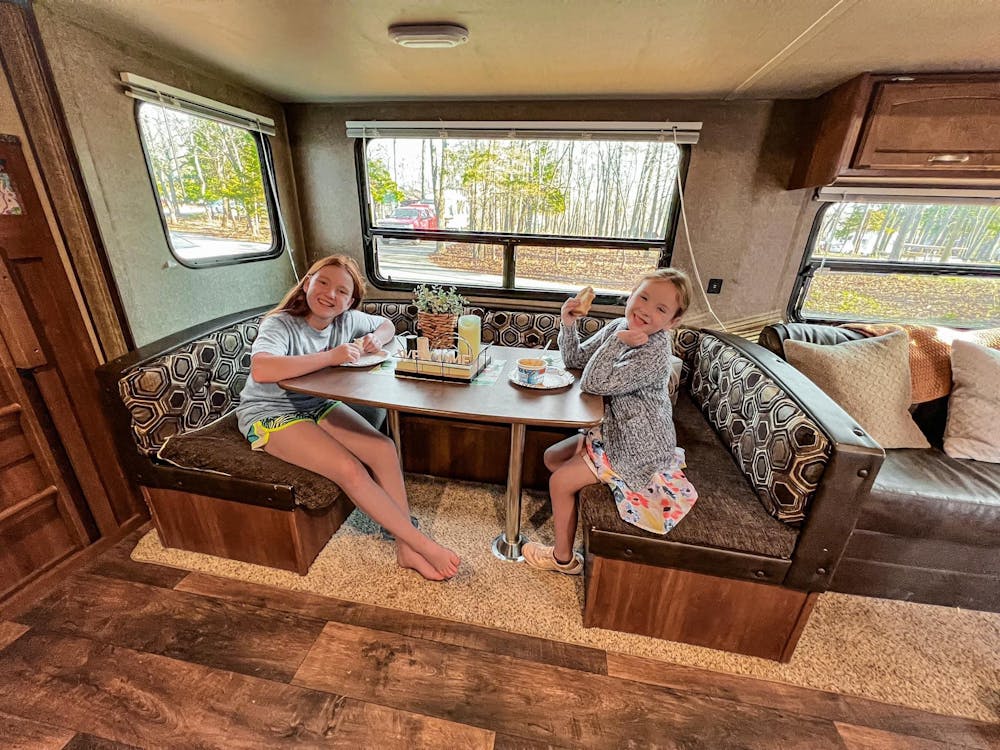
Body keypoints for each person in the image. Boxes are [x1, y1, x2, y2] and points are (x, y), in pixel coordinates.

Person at [236, 254, 460, 581]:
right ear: (307, 283)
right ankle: (420, 543)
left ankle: (405, 548)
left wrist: (376, 339)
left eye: (342, 291)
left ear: (350, 301)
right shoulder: (280, 324)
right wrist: (331, 356)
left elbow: (387, 325)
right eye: (323, 283)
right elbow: (262, 368)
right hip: (270, 412)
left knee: (383, 448)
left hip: (317, 404)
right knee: (349, 469)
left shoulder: (347, 319)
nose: (330, 294)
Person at [522, 268, 698, 575]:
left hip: (637, 447)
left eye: (661, 309)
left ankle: (563, 559)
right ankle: (573, 511)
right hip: (612, 430)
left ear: (673, 321)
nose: (646, 310)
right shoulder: (620, 326)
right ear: (631, 295)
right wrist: (568, 324)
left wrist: (616, 343)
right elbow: (577, 361)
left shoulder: (653, 353)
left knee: (559, 482)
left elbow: (593, 383)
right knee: (552, 457)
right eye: (643, 297)